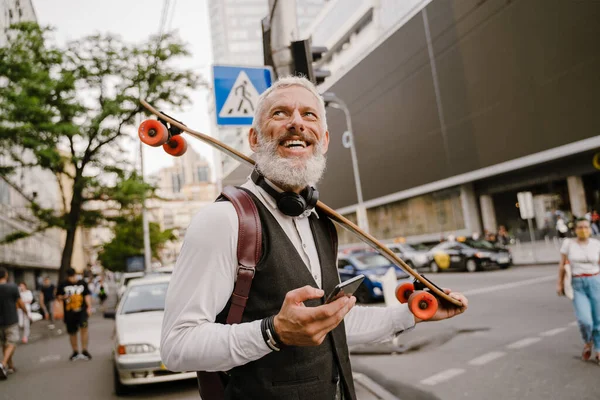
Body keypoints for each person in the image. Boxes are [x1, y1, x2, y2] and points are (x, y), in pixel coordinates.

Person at [160, 76, 469, 399]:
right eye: (280, 113)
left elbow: (330, 323)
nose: (296, 123)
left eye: (309, 115)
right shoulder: (223, 221)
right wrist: (273, 332)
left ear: (323, 139)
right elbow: (177, 345)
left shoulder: (321, 221)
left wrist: (411, 314)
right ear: (253, 138)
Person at [557, 218, 600, 364]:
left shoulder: (596, 244)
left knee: (598, 319)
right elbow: (562, 265)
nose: (583, 230)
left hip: (595, 281)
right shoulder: (568, 244)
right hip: (577, 283)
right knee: (585, 320)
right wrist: (559, 284)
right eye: (580, 227)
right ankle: (587, 342)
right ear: (575, 229)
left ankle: (599, 349)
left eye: (586, 227)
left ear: (590, 229)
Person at [57, 268, 92, 361]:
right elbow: (58, 296)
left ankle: (84, 350)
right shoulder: (63, 284)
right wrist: (64, 297)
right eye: (70, 277)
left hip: (82, 312)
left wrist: (89, 307)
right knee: (72, 332)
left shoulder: (82, 283)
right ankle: (75, 351)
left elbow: (87, 295)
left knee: (84, 329)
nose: (72, 278)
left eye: (73, 276)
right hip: (69, 313)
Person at [0, 267, 30, 379]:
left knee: (4, 343)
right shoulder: (12, 287)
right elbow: (20, 303)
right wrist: (27, 313)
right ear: (6, 275)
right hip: (11, 320)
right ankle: (3, 364)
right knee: (12, 342)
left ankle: (10, 366)